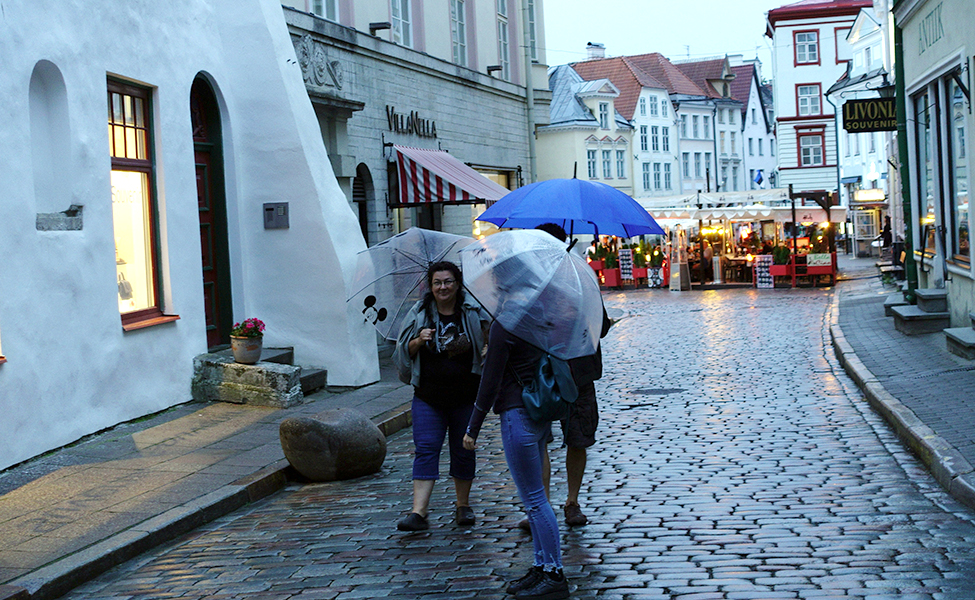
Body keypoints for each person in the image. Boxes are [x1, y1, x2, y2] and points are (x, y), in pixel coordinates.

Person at [463, 318, 571, 600]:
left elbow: (490, 381)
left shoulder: (506, 324)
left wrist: (473, 426)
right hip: (537, 412)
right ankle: (541, 565)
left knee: (535, 500)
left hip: (517, 415)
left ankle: (553, 573)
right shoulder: (537, 318)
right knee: (534, 499)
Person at [394, 261, 491, 531]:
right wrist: (418, 340)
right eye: (437, 283)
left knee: (463, 449)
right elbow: (404, 351)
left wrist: (486, 347)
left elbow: (490, 336)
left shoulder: (471, 311)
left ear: (457, 284)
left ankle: (463, 506)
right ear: (430, 286)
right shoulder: (419, 313)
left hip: (466, 395)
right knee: (425, 449)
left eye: (448, 282)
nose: (443, 287)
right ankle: (419, 512)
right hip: (428, 396)